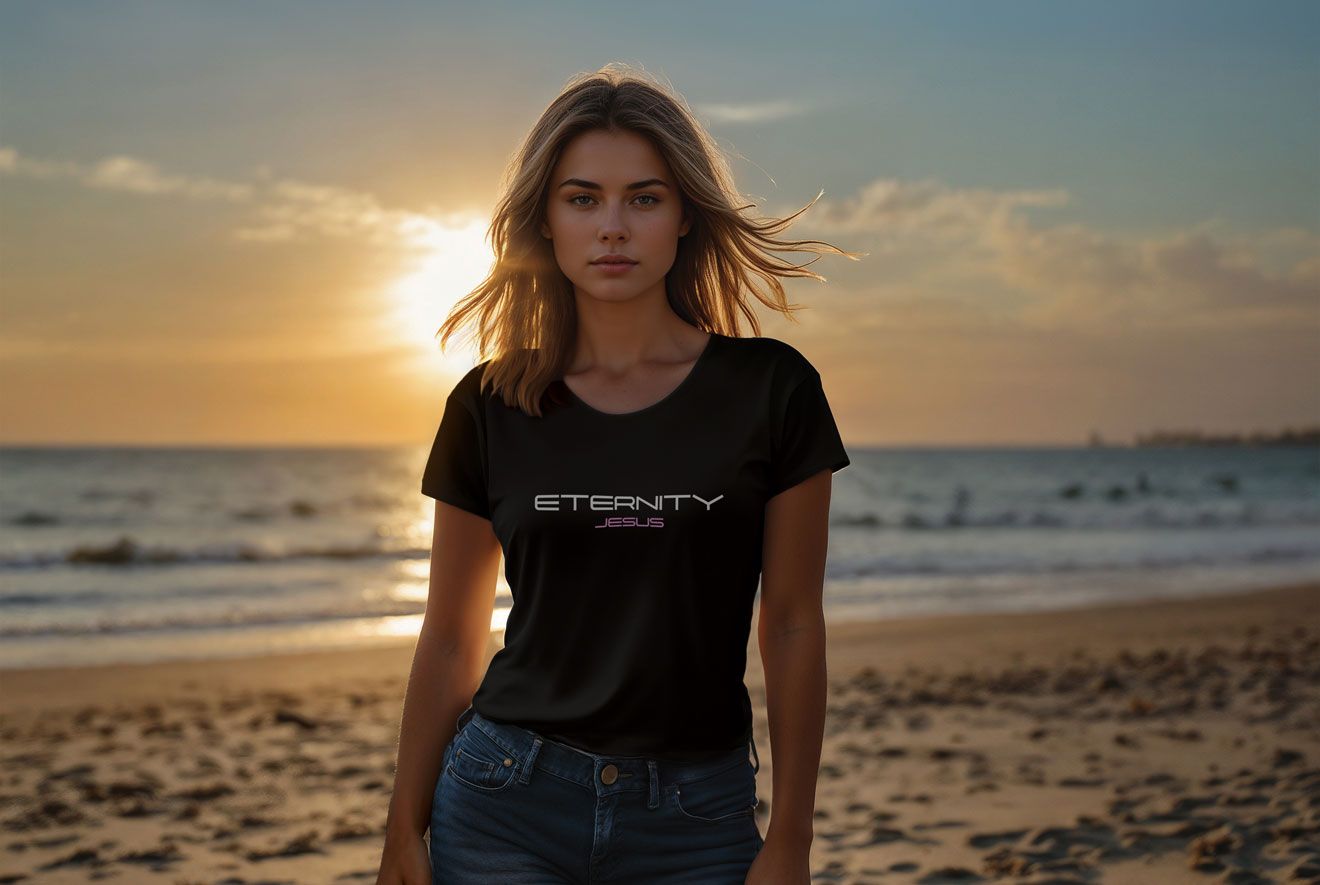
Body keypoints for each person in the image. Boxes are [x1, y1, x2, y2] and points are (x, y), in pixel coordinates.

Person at [376, 63, 858, 885]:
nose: (612, 227)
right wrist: (401, 832)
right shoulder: (490, 402)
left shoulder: (773, 391)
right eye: (582, 198)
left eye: (643, 197)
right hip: (503, 801)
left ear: (683, 220)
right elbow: (452, 634)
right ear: (548, 223)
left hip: (698, 818)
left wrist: (792, 838)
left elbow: (790, 625)